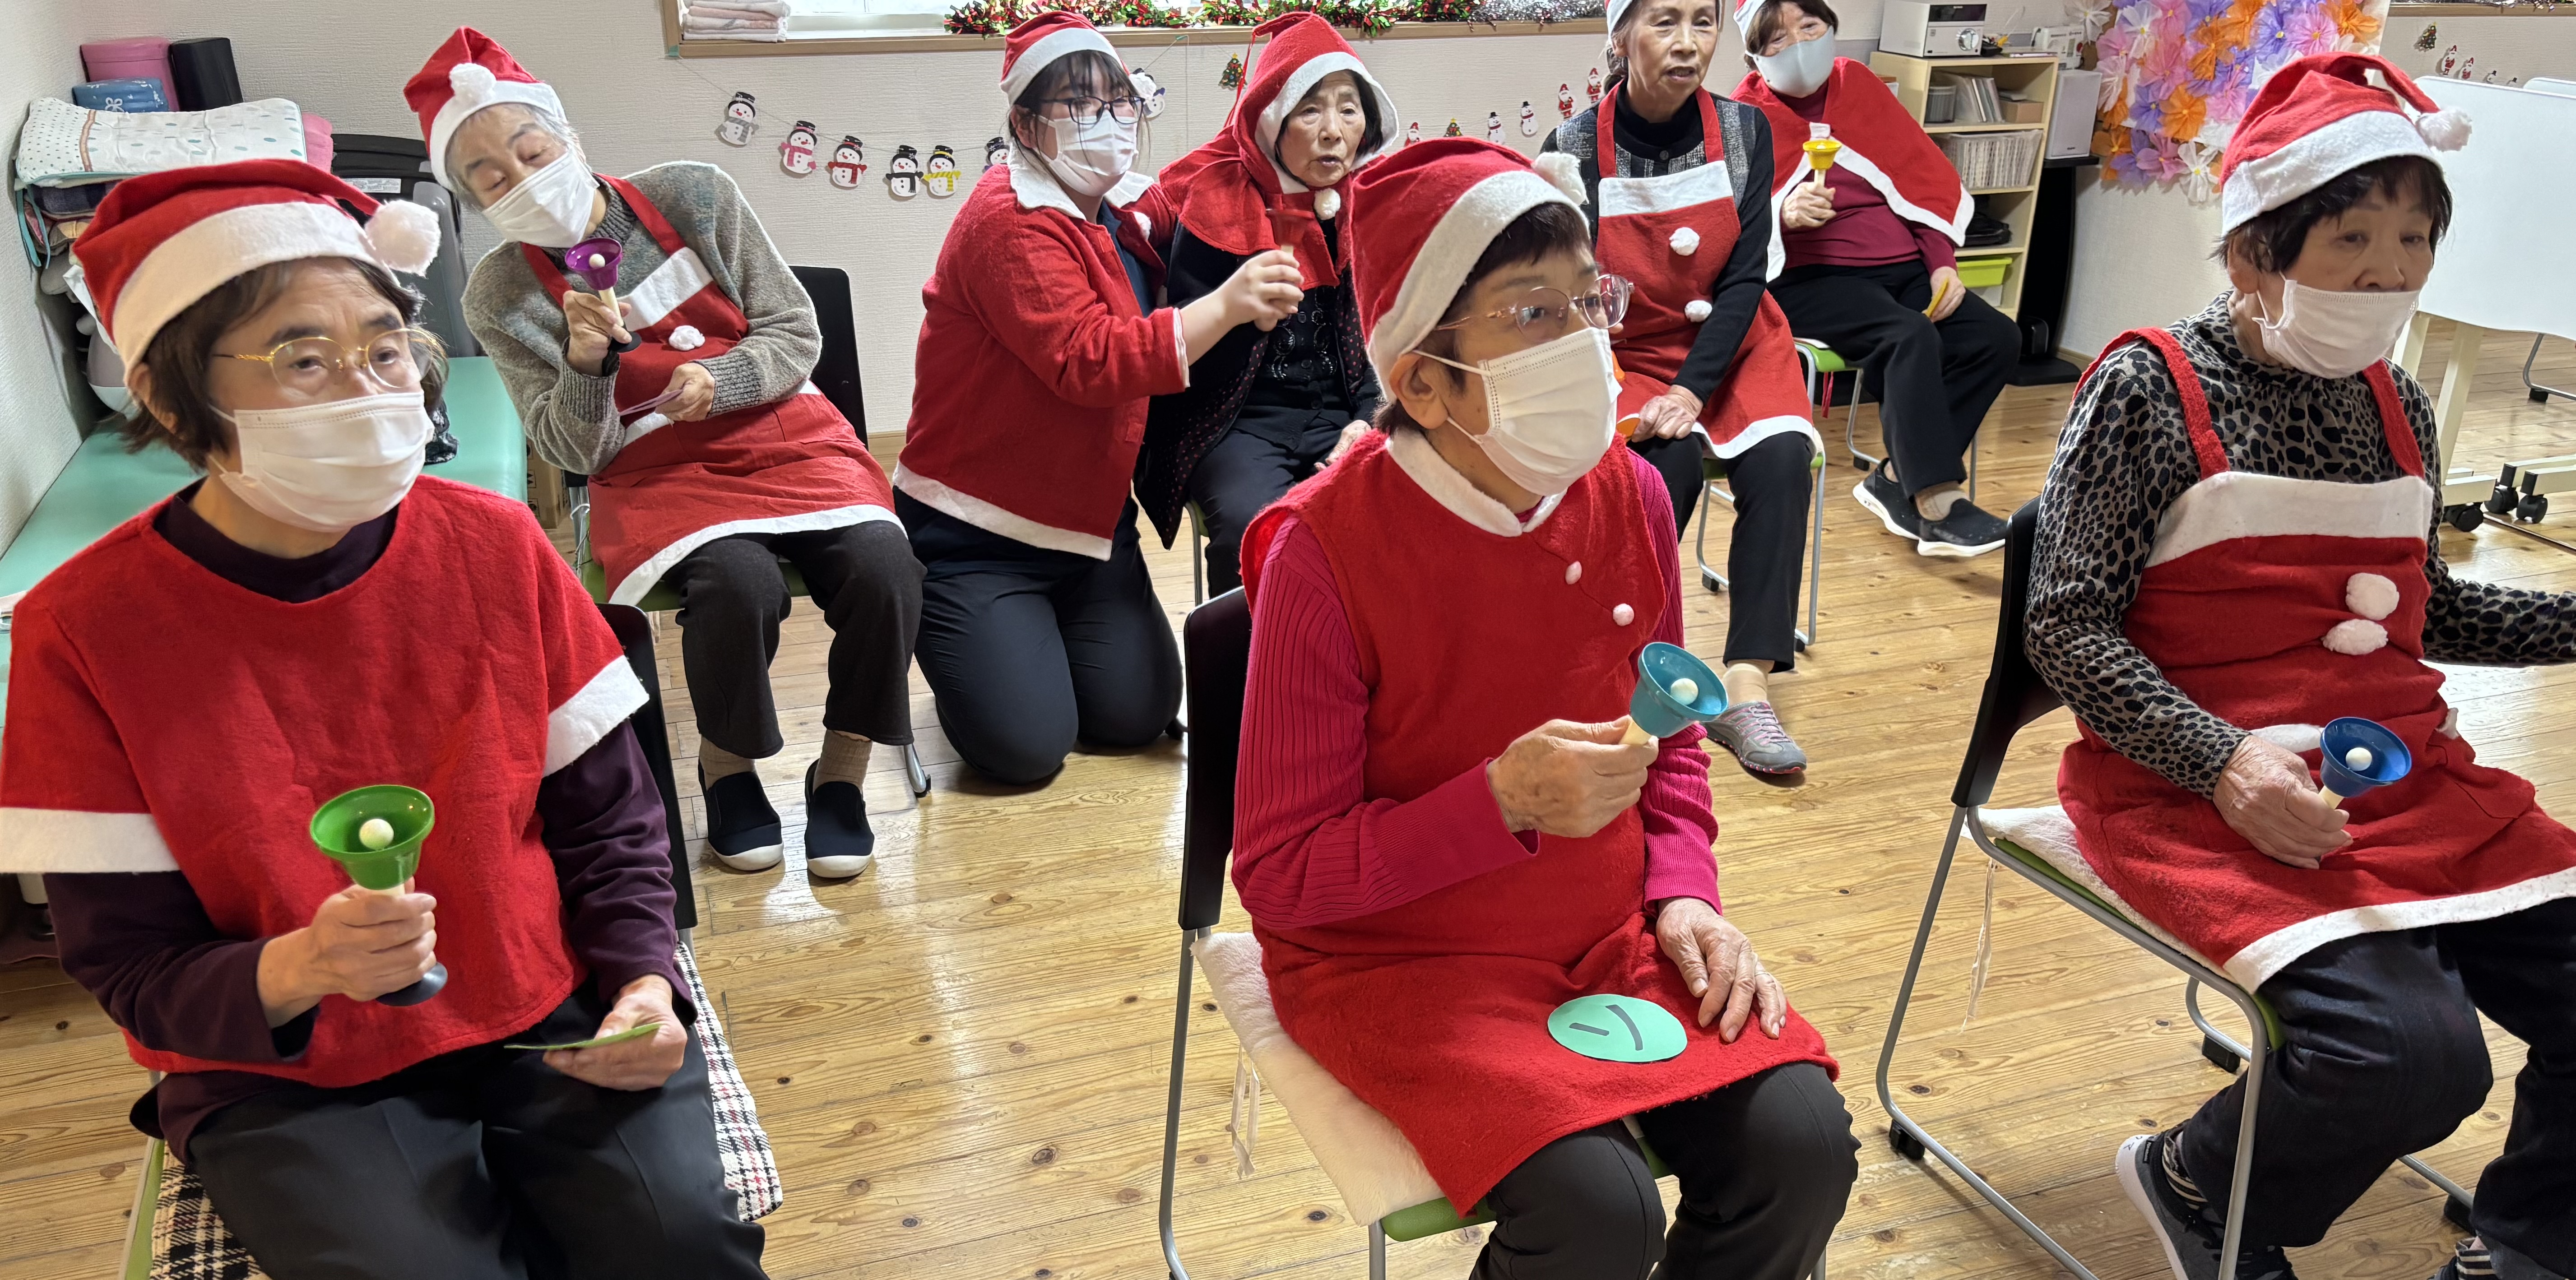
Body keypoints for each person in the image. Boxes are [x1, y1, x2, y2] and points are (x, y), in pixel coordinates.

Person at [0, 161, 764, 1279]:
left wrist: (645, 978)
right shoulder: (83, 630)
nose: (367, 391)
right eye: (303, 358)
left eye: (387, 349)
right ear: (167, 396)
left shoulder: (496, 545)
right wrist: (300, 965)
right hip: (292, 1070)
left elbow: (611, 822)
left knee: (679, 1246)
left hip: (545, 996)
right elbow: (129, 963)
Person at [1234, 139, 1855, 1280]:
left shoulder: (1629, 492)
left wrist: (1684, 891)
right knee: (1596, 1213)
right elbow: (1281, 876)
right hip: (1399, 961)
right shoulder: (1326, 551)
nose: (1583, 343)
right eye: (1532, 313)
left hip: (1606, 934)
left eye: (1587, 300)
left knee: (1803, 1146)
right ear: (1424, 382)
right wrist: (1498, 802)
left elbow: (1668, 744)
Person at [2027, 56, 2575, 1280]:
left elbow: (2426, 610)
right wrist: (2222, 762)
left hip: (2407, 782)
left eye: (2413, 239)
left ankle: (2531, 1249)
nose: (2389, 272)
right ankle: (2196, 1183)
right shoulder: (2145, 389)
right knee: (2414, 1057)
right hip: (2191, 788)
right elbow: (2065, 627)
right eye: (2352, 239)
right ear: (2252, 253)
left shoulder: (2397, 406)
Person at [420, 28, 920, 881]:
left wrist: (722, 380)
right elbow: (570, 447)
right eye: (491, 178)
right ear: (470, 200)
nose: (522, 180)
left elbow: (794, 330)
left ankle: (842, 773)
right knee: (738, 584)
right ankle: (728, 772)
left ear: (571, 139)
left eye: (531, 152)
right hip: (655, 472)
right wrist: (587, 364)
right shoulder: (499, 294)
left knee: (886, 569)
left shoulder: (694, 195)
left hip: (786, 433)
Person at [900, 11, 1300, 784]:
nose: (1108, 122)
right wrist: (1226, 305)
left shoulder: (1121, 205)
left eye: (1118, 102)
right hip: (976, 534)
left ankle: (1033, 642)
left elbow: (1216, 170)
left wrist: (1282, 106)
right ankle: (968, 633)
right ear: (1024, 124)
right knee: (1026, 751)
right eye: (1078, 104)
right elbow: (1091, 360)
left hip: (1087, 530)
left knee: (1135, 718)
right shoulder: (1007, 221)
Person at [1541, 0, 1821, 776]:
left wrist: (1694, 390)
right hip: (1625, 351)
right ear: (1620, 35)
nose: (1687, 43)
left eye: (1703, 21)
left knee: (1780, 463)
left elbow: (1744, 277)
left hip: (1733, 343)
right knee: (1663, 473)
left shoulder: (1745, 132)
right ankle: (1635, 664)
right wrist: (1624, 376)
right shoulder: (1570, 149)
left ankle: (1745, 687)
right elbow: (1566, 288)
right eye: (1664, 21)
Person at [1730, 0, 2020, 557]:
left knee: (1995, 337)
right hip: (1808, 279)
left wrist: (1941, 261)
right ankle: (1936, 503)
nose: (1797, 45)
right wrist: (1782, 213)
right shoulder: (1742, 115)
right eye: (1777, 39)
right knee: (1908, 334)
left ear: (1829, 28)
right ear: (1755, 54)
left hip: (1901, 266)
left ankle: (1894, 478)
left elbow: (1919, 177)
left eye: (1809, 27)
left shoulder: (1858, 86)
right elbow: (1725, 220)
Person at [1135, 12, 1394, 598]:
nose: (1333, 132)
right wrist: (1237, 315)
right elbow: (1186, 373)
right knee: (1253, 531)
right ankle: (1253, 656)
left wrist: (1367, 419)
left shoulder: (1369, 203)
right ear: (1272, 121)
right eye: (1310, 111)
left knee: (1397, 513)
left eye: (1348, 109)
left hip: (1344, 410)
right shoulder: (1215, 203)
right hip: (1238, 423)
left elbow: (1389, 338)